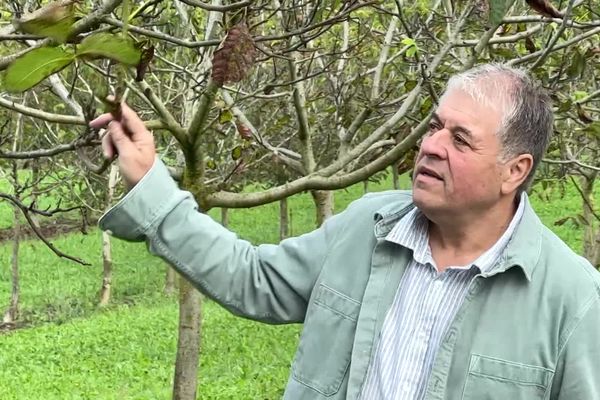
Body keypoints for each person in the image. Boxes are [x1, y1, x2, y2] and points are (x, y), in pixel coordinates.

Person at [90, 63, 600, 400]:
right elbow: (255, 280)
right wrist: (152, 180)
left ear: (515, 170)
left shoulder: (571, 299)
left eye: (460, 139)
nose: (431, 145)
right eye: (434, 126)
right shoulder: (368, 226)